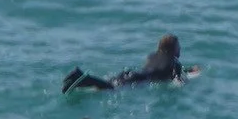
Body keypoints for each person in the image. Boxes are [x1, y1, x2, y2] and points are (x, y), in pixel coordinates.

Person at [63, 36, 193, 93]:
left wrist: (187, 70)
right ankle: (81, 76)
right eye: (178, 46)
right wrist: (185, 83)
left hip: (132, 73)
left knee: (108, 84)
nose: (180, 49)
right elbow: (178, 80)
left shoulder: (152, 56)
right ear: (172, 49)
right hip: (139, 79)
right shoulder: (175, 62)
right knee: (111, 89)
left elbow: (160, 69)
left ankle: (79, 81)